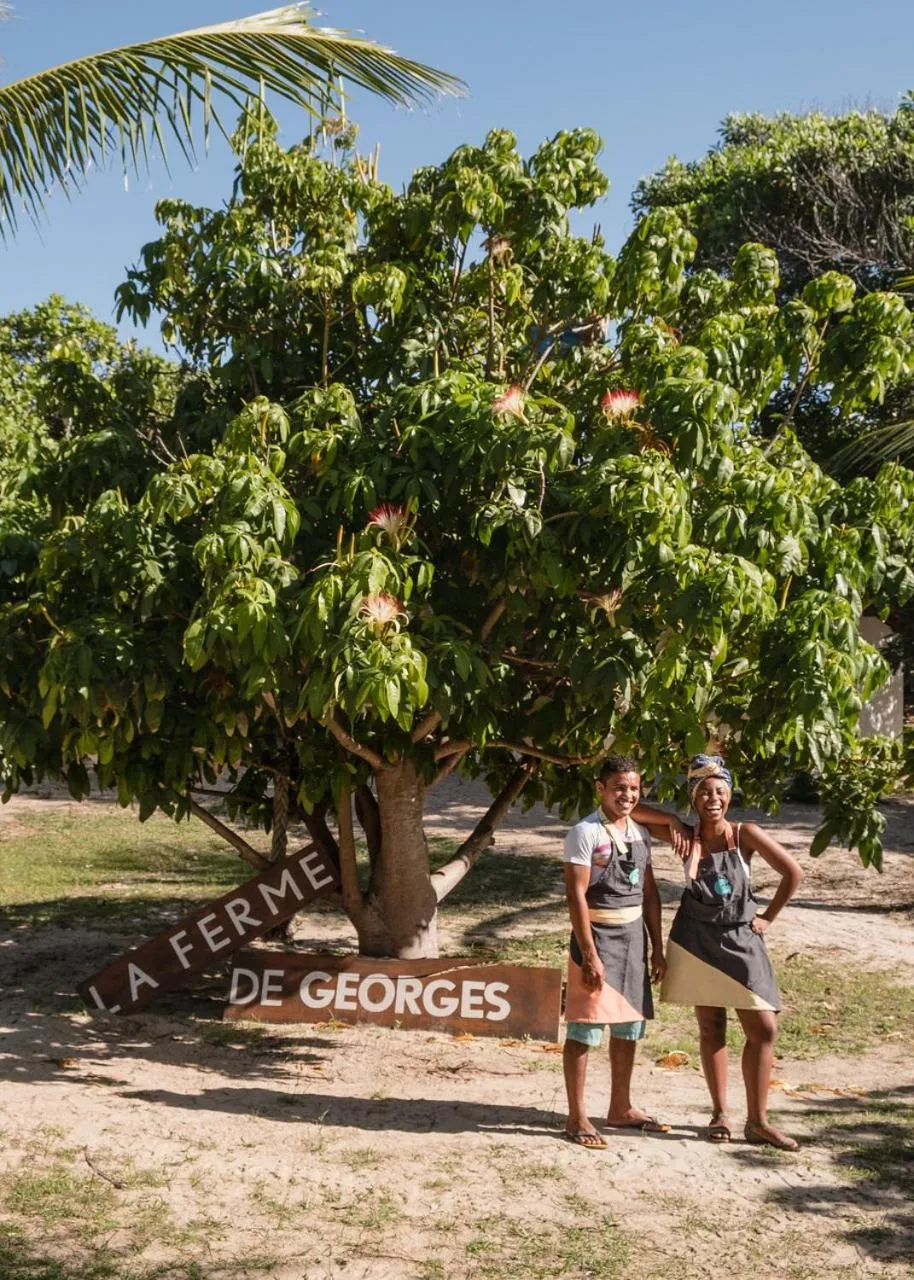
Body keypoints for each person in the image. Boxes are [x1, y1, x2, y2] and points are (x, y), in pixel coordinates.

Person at [661, 754, 803, 1150]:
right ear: (693, 798)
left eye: (720, 791)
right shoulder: (685, 836)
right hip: (696, 940)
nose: (713, 799)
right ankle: (720, 1113)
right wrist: (671, 821)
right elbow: (635, 811)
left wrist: (768, 917)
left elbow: (792, 872)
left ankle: (758, 1121)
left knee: (764, 1029)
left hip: (741, 941)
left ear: (729, 795)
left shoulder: (745, 834)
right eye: (704, 792)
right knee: (711, 1027)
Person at [562, 754, 689, 1148]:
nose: (628, 795)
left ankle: (621, 1106)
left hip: (634, 940)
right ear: (601, 789)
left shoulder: (640, 833)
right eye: (619, 788)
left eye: (634, 788)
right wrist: (590, 954)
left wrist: (656, 948)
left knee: (629, 1026)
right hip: (597, 938)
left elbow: (649, 894)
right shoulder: (585, 833)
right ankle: (576, 1116)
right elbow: (576, 896)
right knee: (585, 1027)